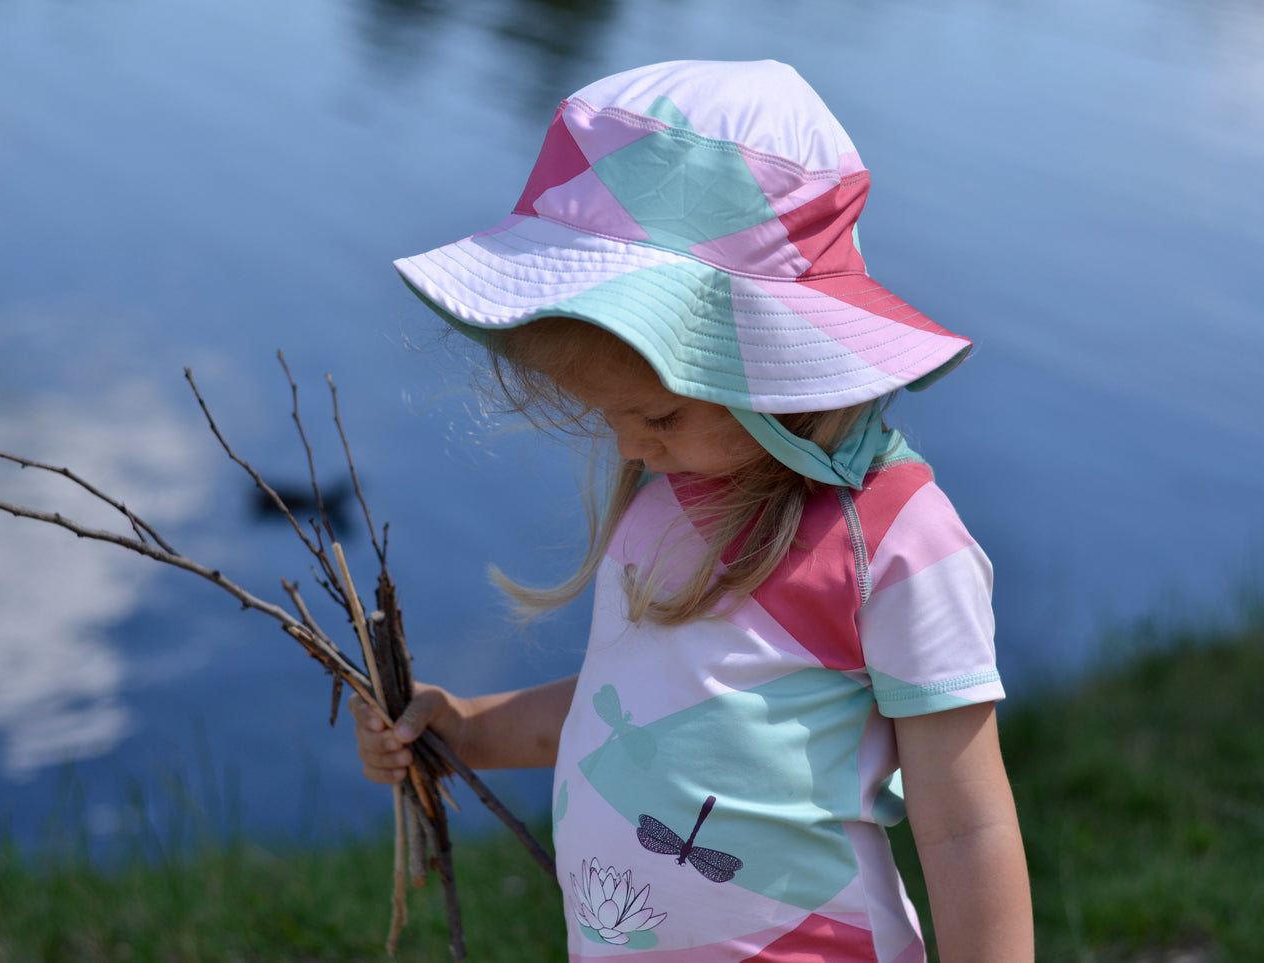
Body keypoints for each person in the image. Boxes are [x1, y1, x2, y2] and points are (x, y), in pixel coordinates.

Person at [352, 59, 1033, 962]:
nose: (631, 447)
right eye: (611, 417)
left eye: (659, 416)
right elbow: (627, 711)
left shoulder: (895, 540)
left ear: (772, 370)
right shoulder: (663, 501)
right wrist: (469, 727)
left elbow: (965, 823)